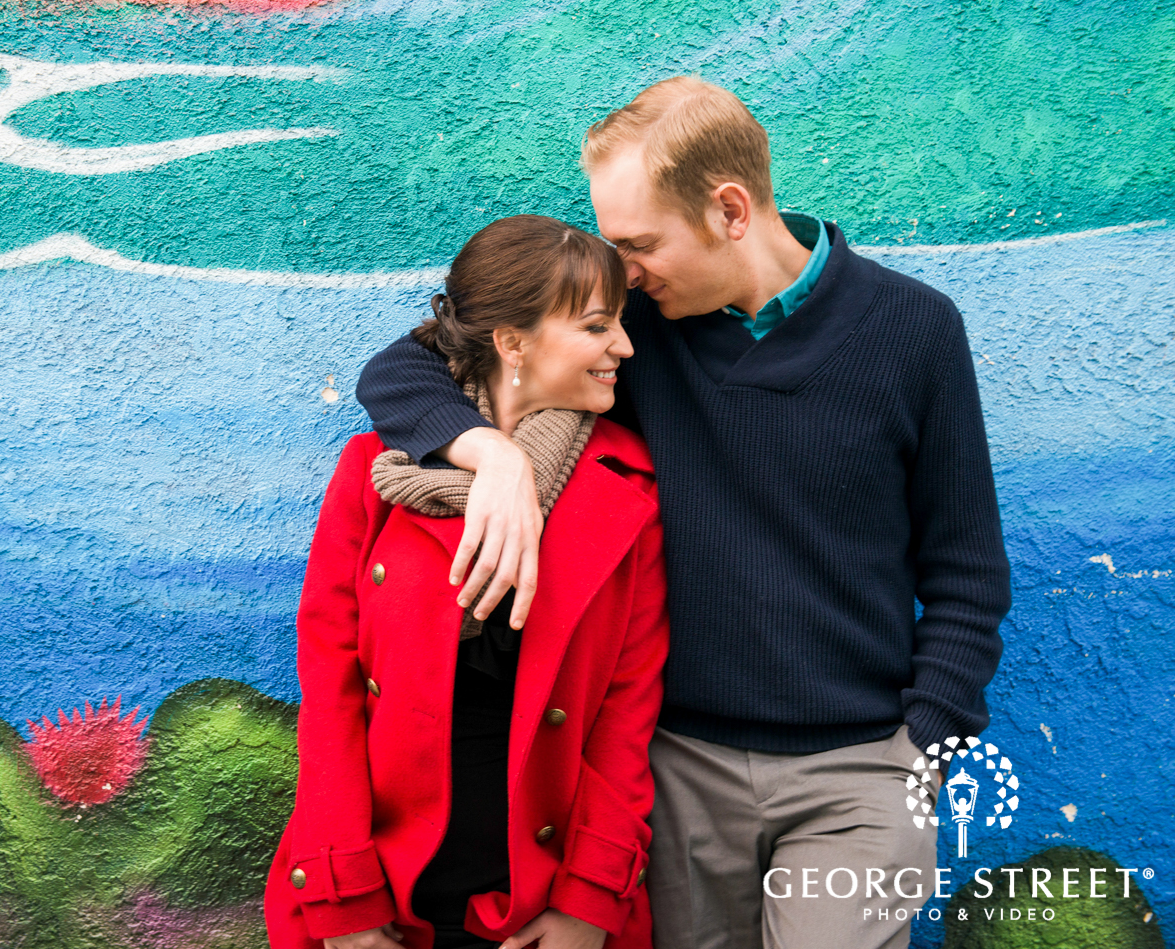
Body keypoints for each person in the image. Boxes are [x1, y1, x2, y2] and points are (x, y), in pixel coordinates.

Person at [354, 78, 1012, 949]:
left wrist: (918, 759)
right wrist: (495, 457)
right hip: (677, 772)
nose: (622, 272)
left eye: (638, 244)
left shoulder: (913, 329)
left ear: (729, 210)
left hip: (859, 773)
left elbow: (969, 574)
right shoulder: (635, 332)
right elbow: (404, 367)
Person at [265, 215, 669, 949]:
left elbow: (626, 714)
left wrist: (590, 900)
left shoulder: (629, 489)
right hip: (388, 891)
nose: (624, 346)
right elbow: (331, 691)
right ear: (513, 343)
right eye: (596, 326)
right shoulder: (376, 475)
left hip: (543, 900)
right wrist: (340, 893)